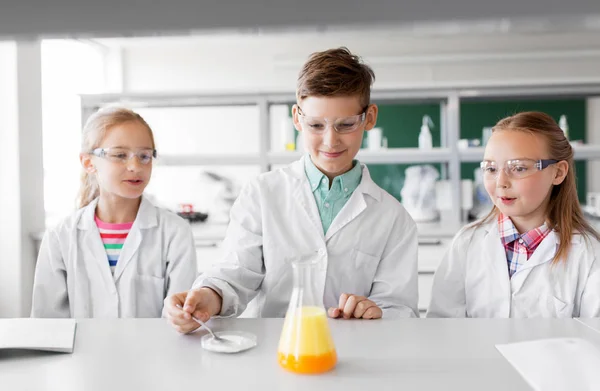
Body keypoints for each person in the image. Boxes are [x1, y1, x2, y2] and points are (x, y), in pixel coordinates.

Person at [165, 47, 419, 334]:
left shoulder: (393, 218)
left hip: (355, 358)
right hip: (275, 353)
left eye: (346, 125)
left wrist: (376, 312)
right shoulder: (262, 194)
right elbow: (234, 274)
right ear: (297, 118)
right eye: (315, 125)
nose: (330, 140)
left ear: (369, 118)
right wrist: (206, 298)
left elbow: (401, 309)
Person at [427, 111, 600, 318]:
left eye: (518, 168)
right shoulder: (467, 243)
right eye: (491, 168)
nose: (501, 182)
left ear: (558, 172)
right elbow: (442, 328)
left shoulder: (589, 253)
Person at [31, 107, 197, 318]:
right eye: (120, 155)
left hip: (154, 351)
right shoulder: (60, 237)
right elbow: (47, 324)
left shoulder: (175, 232)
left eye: (145, 156)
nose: (135, 166)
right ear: (89, 162)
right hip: (84, 351)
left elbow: (181, 318)